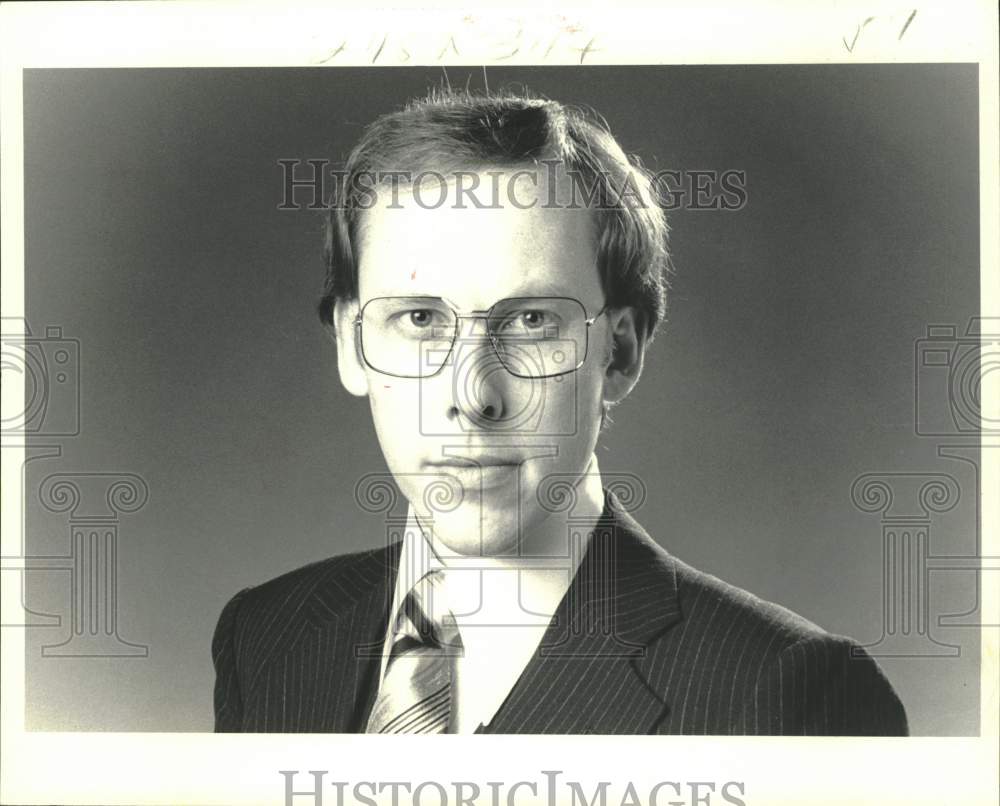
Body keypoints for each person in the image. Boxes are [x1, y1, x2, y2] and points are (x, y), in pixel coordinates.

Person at [212, 88, 908, 735]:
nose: (473, 395)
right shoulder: (266, 635)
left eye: (532, 320)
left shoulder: (790, 694)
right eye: (420, 318)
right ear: (350, 346)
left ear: (621, 353)